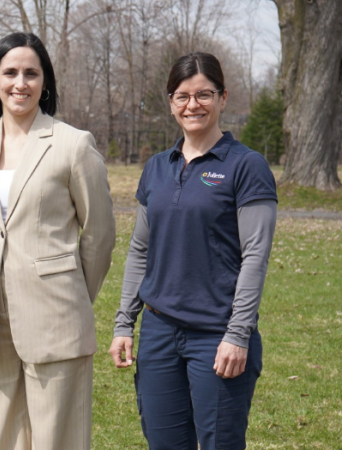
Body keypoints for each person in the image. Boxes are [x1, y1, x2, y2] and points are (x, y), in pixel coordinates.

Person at [0, 32, 116, 450]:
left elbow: (99, 234)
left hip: (57, 313)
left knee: (56, 439)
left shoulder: (73, 144)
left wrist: (73, 292)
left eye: (31, 73)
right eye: (10, 72)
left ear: (46, 82)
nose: (20, 83)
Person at [109, 52, 277, 450]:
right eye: (182, 96)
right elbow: (139, 250)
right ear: (171, 103)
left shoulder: (246, 166)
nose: (192, 105)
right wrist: (123, 324)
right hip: (159, 333)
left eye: (204, 94)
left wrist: (238, 335)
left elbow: (256, 256)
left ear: (223, 98)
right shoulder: (156, 168)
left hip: (217, 336)